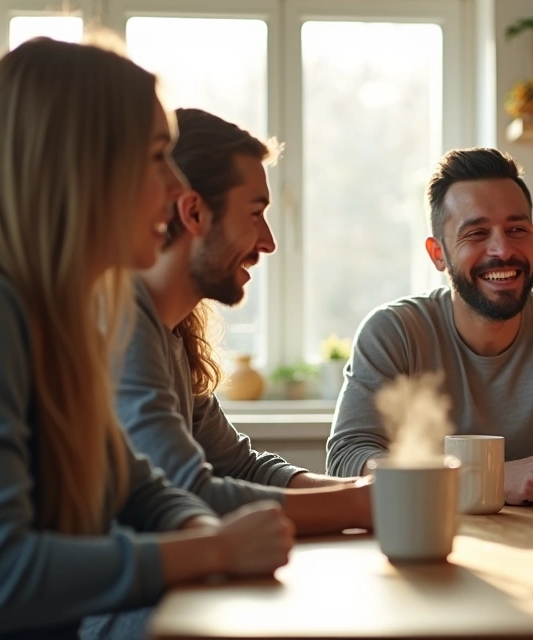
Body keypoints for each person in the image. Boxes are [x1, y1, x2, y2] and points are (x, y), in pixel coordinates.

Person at [0, 38, 294, 640]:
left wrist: (202, 533)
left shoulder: (61, 314)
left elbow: (136, 488)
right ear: (80, 165)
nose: (175, 185)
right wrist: (213, 552)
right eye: (158, 155)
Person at [326, 147, 533, 506]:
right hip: (421, 533)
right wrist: (490, 479)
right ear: (438, 253)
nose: (502, 249)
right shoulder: (394, 332)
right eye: (477, 233)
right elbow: (347, 460)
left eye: (516, 229)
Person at [115, 107, 371, 537]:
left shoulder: (173, 334)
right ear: (194, 213)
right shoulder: (124, 325)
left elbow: (238, 466)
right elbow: (190, 491)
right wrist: (360, 505)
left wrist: (358, 489)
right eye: (255, 214)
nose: (269, 242)